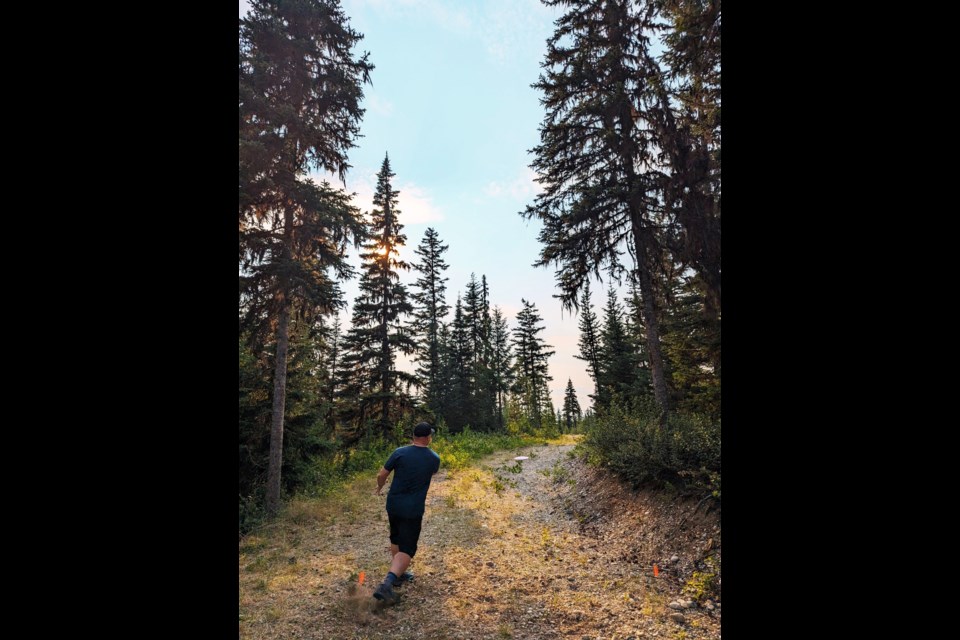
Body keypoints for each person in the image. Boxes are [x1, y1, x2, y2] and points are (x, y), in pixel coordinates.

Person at [372, 421, 441, 604]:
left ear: (413, 436)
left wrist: (380, 487)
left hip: (393, 505)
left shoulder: (399, 452)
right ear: (427, 438)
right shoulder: (434, 458)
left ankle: (399, 575)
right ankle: (387, 584)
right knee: (407, 549)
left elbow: (382, 475)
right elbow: (429, 473)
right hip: (413, 509)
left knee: (395, 539)